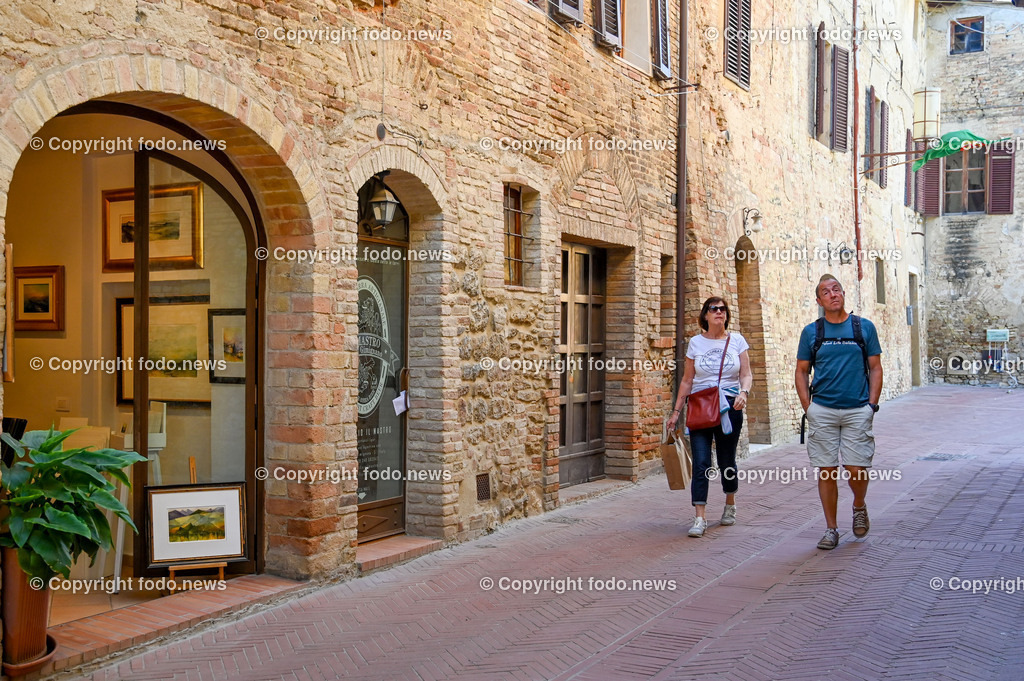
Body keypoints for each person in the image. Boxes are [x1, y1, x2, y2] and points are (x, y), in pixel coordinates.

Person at [795, 274, 883, 550]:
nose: (833, 294)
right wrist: (808, 408)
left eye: (836, 289)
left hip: (858, 409)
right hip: (823, 410)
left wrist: (871, 405)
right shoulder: (811, 332)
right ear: (819, 300)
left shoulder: (863, 327)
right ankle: (831, 529)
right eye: (826, 292)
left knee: (857, 469)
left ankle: (859, 505)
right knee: (827, 471)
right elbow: (801, 371)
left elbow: (876, 367)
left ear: (843, 294)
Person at [667, 297, 753, 538]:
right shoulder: (696, 343)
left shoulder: (737, 341)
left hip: (730, 407)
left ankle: (730, 503)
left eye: (723, 309)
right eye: (714, 309)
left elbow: (746, 374)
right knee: (701, 462)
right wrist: (676, 412)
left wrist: (744, 393)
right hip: (701, 407)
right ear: (705, 315)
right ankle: (699, 517)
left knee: (727, 461)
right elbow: (687, 380)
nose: (719, 312)